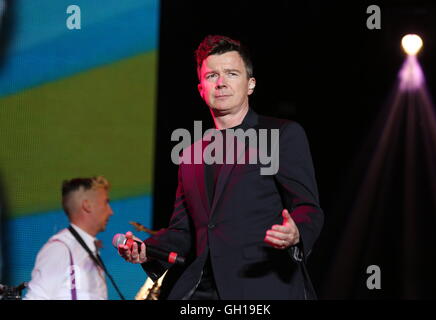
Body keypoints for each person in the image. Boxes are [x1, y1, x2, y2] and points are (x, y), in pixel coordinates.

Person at [119, 35, 324, 300]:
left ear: (250, 84)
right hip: (200, 290)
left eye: (231, 73)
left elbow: (309, 208)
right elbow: (185, 232)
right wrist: (147, 249)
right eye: (212, 75)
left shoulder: (282, 135)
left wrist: (296, 232)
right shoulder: (191, 155)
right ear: (201, 88)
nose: (221, 83)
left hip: (262, 286)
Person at [24, 176, 113, 300]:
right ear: (87, 205)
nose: (110, 211)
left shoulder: (86, 248)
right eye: (106, 202)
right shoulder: (59, 248)